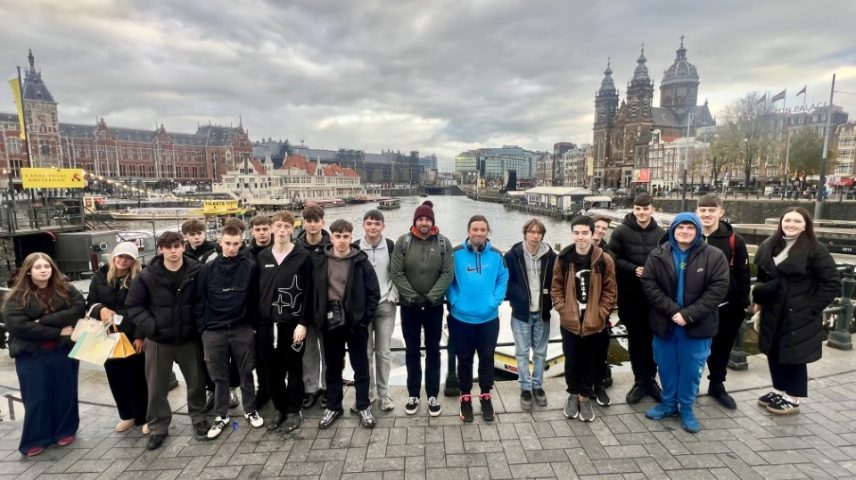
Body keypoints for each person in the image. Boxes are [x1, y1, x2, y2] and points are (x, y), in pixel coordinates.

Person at [641, 212, 729, 433]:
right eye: (680, 227)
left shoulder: (714, 256)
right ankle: (669, 403)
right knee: (666, 366)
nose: (685, 232)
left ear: (698, 231)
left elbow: (717, 289)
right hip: (666, 323)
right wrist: (673, 312)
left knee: (691, 369)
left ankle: (687, 407)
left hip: (697, 325)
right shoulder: (658, 255)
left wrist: (689, 315)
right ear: (672, 230)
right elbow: (650, 285)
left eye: (690, 228)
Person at [753, 207, 841, 415]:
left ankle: (793, 398)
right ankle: (778, 389)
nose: (791, 225)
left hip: (798, 312)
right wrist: (759, 301)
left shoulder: (815, 249)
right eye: (787, 220)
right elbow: (765, 276)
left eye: (797, 221)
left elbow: (832, 283)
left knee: (794, 355)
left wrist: (812, 308)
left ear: (805, 225)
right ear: (781, 222)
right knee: (774, 351)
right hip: (773, 309)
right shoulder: (770, 245)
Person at [126, 232, 209, 450]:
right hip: (159, 340)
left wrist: (198, 327)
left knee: (196, 381)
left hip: (188, 338)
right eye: (167, 247)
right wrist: (152, 327)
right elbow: (134, 305)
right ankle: (158, 427)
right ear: (160, 249)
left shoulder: (196, 271)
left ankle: (198, 416)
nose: (173, 251)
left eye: (176, 246)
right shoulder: (148, 275)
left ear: (183, 247)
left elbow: (204, 301)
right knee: (156, 386)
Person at [3, 253, 85, 457]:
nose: (43, 270)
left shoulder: (66, 289)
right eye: (38, 267)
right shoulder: (16, 297)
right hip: (31, 354)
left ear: (52, 269)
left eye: (46, 266)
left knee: (64, 392)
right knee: (36, 396)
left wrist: (43, 321)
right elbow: (20, 326)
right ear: (29, 270)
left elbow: (78, 309)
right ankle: (35, 438)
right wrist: (58, 331)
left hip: (62, 351)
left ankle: (65, 430)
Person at [196, 225, 263, 439]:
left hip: (241, 326)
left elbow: (254, 298)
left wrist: (253, 326)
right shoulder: (207, 269)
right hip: (214, 329)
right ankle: (221, 414)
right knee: (219, 376)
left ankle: (250, 409)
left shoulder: (250, 267)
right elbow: (200, 300)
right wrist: (203, 329)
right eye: (228, 243)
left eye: (236, 244)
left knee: (246, 371)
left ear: (242, 242)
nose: (232, 248)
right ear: (220, 242)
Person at [314, 219, 380, 429]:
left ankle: (363, 405)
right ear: (331, 237)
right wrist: (318, 317)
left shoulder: (361, 261)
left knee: (361, 366)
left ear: (351, 238)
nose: (341, 241)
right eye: (338, 236)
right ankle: (334, 406)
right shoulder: (320, 261)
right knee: (333, 367)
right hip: (330, 323)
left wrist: (364, 320)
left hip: (355, 324)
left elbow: (373, 293)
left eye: (346, 237)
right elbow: (312, 291)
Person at [390, 200, 454, 416]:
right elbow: (396, 272)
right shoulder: (403, 242)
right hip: (410, 307)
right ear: (415, 221)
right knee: (412, 351)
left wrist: (431, 297)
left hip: (434, 306)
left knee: (434, 350)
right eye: (420, 219)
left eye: (427, 219)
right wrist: (412, 296)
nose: (424, 222)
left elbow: (447, 273)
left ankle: (433, 394)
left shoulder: (443, 243)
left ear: (432, 221)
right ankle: (414, 393)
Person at [551, 216, 617, 423]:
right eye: (577, 233)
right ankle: (572, 395)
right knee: (572, 361)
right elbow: (556, 288)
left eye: (585, 233)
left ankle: (584, 397)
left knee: (590, 362)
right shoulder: (563, 258)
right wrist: (563, 310)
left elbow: (610, 291)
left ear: (592, 234)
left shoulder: (604, 260)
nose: (581, 237)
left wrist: (601, 313)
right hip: (570, 320)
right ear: (572, 234)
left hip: (594, 322)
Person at [447, 215, 508, 423]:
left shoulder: (497, 256)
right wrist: (455, 301)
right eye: (475, 229)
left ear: (487, 232)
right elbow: (449, 280)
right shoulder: (455, 254)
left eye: (482, 229)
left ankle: (485, 395)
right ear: (468, 231)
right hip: (461, 318)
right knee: (464, 359)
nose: (479, 233)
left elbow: (502, 279)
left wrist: (495, 300)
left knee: (487, 358)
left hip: (488, 319)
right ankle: (465, 396)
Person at [257, 211, 314, 432]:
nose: (282, 230)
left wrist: (303, 322)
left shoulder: (302, 257)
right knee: (272, 369)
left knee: (293, 368)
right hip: (266, 323)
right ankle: (279, 408)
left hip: (292, 324)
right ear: (272, 228)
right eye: (278, 226)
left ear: (292, 229)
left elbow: (309, 292)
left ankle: (293, 409)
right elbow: (255, 290)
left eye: (286, 226)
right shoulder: (262, 257)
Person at [607, 194, 665, 404]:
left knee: (653, 340)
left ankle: (651, 380)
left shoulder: (661, 233)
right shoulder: (621, 231)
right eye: (637, 209)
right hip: (630, 295)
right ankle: (640, 380)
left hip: (654, 297)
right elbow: (611, 256)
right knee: (635, 339)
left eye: (645, 209)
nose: (641, 213)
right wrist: (633, 269)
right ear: (633, 210)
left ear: (652, 209)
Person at [86, 242, 148, 434]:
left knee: (138, 377)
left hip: (131, 333)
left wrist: (140, 335)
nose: (123, 261)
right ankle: (127, 415)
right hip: (108, 334)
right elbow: (90, 301)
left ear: (134, 261)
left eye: (128, 258)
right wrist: (100, 309)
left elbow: (145, 306)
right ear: (113, 256)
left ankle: (144, 416)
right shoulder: (100, 276)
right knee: (116, 376)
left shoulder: (140, 277)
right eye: (120, 256)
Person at [696, 195, 751, 409]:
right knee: (695, 350)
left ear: (721, 212)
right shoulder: (689, 235)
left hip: (727, 306)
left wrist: (742, 301)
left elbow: (743, 272)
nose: (707, 214)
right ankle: (689, 387)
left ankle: (717, 384)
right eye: (703, 210)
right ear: (697, 212)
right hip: (696, 307)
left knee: (722, 348)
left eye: (712, 209)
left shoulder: (734, 240)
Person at [504, 218, 556, 410]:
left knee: (541, 353)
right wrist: (521, 296)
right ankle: (525, 387)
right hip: (521, 313)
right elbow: (507, 283)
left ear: (542, 235)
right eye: (531, 232)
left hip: (542, 312)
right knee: (522, 352)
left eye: (539, 232)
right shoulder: (513, 256)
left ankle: (538, 386)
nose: (535, 236)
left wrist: (549, 298)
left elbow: (555, 282)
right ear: (525, 233)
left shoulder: (551, 256)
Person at [356, 209, 399, 412]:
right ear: (363, 225)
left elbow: (399, 273)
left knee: (383, 352)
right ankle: (368, 393)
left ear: (383, 226)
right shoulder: (355, 247)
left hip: (385, 305)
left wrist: (393, 295)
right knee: (365, 352)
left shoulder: (391, 246)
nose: (373, 227)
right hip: (363, 307)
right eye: (369, 223)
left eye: (377, 223)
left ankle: (384, 395)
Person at [296, 204, 330, 409]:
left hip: (326, 307)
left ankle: (327, 387)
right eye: (308, 221)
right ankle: (310, 388)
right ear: (303, 223)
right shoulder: (295, 248)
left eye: (316, 221)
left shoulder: (331, 247)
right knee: (308, 352)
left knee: (329, 352)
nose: (312, 225)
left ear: (322, 222)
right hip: (304, 308)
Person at [247, 214, 273, 408]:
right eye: (258, 230)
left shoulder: (279, 250)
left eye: (265, 229)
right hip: (256, 311)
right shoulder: (247, 254)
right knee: (260, 355)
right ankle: (264, 389)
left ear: (271, 229)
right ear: (252, 231)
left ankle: (281, 386)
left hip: (279, 309)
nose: (262, 233)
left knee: (281, 354)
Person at [590, 215, 614, 405]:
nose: (600, 230)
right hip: (581, 311)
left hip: (601, 311)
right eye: (597, 226)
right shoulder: (575, 251)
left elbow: (612, 286)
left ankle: (599, 385)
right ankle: (583, 386)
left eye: (603, 228)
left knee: (600, 350)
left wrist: (605, 309)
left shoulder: (609, 255)